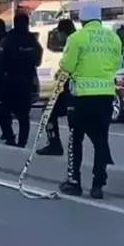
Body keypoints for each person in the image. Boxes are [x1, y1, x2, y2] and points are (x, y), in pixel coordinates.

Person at [58, 4, 122, 199]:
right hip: (105, 96)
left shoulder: (76, 38)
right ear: (100, 19)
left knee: (75, 139)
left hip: (81, 98)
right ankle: (98, 185)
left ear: (82, 20)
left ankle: (74, 182)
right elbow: (116, 64)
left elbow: (67, 66)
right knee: (101, 141)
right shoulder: (113, 38)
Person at [0, 13, 43, 148]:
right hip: (26, 81)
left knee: (3, 112)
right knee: (23, 115)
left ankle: (10, 137)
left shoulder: (9, 38)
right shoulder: (31, 40)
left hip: (10, 81)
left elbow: (1, 61)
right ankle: (22, 141)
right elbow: (38, 58)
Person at [37, 19, 77, 156]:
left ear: (63, 32)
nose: (58, 37)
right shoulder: (77, 40)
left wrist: (61, 74)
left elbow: (69, 66)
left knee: (48, 112)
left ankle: (55, 144)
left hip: (73, 89)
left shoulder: (73, 42)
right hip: (77, 88)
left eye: (59, 33)